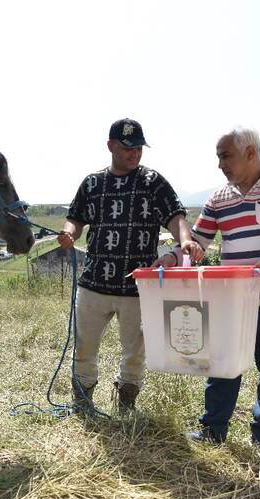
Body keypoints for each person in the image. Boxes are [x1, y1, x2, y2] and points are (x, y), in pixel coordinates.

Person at [156, 127, 260, 460]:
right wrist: (173, 257)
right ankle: (212, 430)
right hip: (231, 300)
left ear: (250, 153)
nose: (220, 165)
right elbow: (198, 241)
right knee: (221, 365)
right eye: (218, 157)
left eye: (225, 156)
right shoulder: (219, 198)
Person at [58, 118, 204, 414]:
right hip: (94, 283)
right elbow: (75, 217)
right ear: (110, 146)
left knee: (135, 353)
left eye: (138, 147)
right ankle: (82, 402)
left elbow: (175, 217)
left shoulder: (153, 182)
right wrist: (69, 233)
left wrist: (186, 240)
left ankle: (126, 405)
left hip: (138, 286)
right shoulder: (92, 183)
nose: (134, 153)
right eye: (127, 148)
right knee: (84, 347)